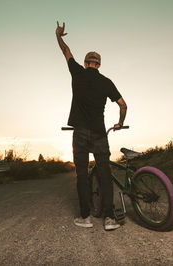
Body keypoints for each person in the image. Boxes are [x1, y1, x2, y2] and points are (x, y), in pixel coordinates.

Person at [56, 21, 127, 230]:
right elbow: (123, 105)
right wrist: (120, 123)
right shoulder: (106, 81)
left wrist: (58, 35)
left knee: (82, 173)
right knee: (105, 173)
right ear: (99, 64)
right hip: (99, 133)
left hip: (80, 133)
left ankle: (85, 217)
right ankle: (110, 218)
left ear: (86, 62)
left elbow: (66, 51)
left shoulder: (77, 73)